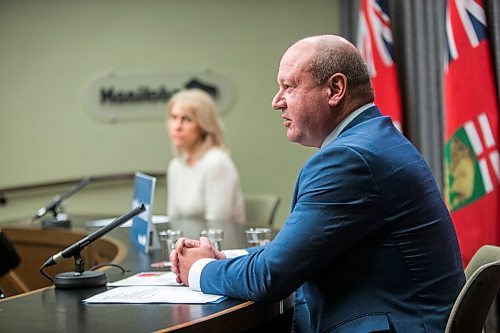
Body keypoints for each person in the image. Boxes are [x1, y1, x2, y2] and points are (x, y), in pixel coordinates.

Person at [170, 35, 465, 332]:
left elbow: (270, 277)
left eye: (289, 86)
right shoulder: (373, 139)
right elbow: (294, 250)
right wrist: (224, 258)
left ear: (335, 89)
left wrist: (197, 268)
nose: (276, 101)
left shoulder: (349, 159)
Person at [166, 88, 245, 224]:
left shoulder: (216, 162)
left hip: (221, 243)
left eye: (187, 119)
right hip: (187, 243)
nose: (177, 126)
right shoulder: (176, 165)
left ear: (203, 125)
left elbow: (218, 225)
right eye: (174, 118)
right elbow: (173, 221)